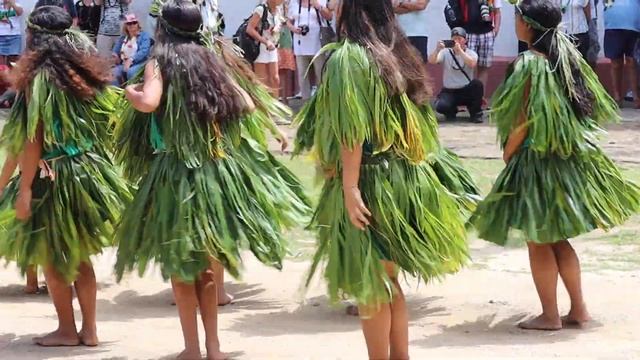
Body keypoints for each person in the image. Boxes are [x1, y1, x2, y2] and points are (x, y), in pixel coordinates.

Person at [113, 0, 310, 358]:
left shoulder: (160, 61)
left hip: (175, 173)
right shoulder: (211, 60)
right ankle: (214, 348)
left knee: (181, 266)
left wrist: (132, 93)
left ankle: (191, 349)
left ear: (165, 29)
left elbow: (149, 102)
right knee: (206, 265)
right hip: (214, 171)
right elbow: (247, 105)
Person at [294, 0, 471, 358]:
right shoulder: (397, 51)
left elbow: (352, 130)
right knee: (388, 279)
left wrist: (349, 185)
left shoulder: (349, 58)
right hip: (400, 175)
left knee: (372, 286)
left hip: (371, 180)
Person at [470, 0, 640, 331]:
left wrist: (509, 150)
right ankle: (578, 309)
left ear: (527, 24)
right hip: (566, 160)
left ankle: (550, 315)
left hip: (536, 161)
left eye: (518, 17)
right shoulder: (565, 59)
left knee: (538, 239)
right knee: (558, 238)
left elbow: (523, 116)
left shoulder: (528, 65)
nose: (515, 21)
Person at [0, 5, 129, 346]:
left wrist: (23, 189)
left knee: (54, 256)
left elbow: (31, 139)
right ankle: (89, 330)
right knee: (80, 254)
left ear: (33, 37)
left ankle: (66, 330)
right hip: (85, 170)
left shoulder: (37, 81)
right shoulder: (82, 74)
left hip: (54, 174)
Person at [429, 27, 484, 123]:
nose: (456, 41)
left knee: (477, 84)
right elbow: (432, 61)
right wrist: (437, 50)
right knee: (441, 106)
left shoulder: (471, 53)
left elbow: (472, 63)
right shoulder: (445, 53)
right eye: (454, 39)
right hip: (450, 91)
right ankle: (451, 112)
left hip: (466, 90)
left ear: (465, 40)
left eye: (459, 39)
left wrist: (460, 52)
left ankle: (475, 113)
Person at [287, 0, 332, 100]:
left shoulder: (320, 1)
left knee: (320, 74)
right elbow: (288, 21)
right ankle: (306, 104)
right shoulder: (294, 3)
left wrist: (318, 6)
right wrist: (294, 29)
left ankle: (323, 102)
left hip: (317, 44)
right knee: (302, 75)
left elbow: (329, 17)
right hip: (300, 45)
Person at [460, 0, 502, 105]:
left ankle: (479, 99)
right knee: (467, 66)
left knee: (484, 67)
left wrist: (496, 29)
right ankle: (465, 99)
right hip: (469, 32)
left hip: (487, 33)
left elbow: (497, 11)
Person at [603, 0, 640, 107]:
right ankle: (617, 96)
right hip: (613, 25)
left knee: (632, 61)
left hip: (634, 26)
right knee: (615, 63)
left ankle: (636, 97)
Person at [247, 0, 284, 98]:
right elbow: (249, 29)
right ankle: (265, 107)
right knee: (262, 81)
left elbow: (280, 23)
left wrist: (276, 28)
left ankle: (276, 106)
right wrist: (265, 41)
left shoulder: (278, 10)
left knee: (275, 79)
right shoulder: (260, 9)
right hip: (260, 47)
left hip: (272, 47)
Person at [111, 14, 153, 86]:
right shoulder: (123, 37)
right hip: (124, 63)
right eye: (129, 23)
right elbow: (116, 49)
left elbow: (144, 51)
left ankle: (132, 92)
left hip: (139, 63)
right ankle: (117, 93)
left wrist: (131, 60)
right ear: (126, 26)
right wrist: (115, 56)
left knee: (131, 72)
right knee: (114, 72)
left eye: (134, 23)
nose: (131, 25)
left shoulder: (144, 35)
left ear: (138, 24)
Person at [0, 0, 23, 66]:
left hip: (14, 36)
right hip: (1, 36)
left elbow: (20, 12)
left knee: (12, 62)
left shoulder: (17, 4)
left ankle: (11, 75)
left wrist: (12, 3)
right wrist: (1, 17)